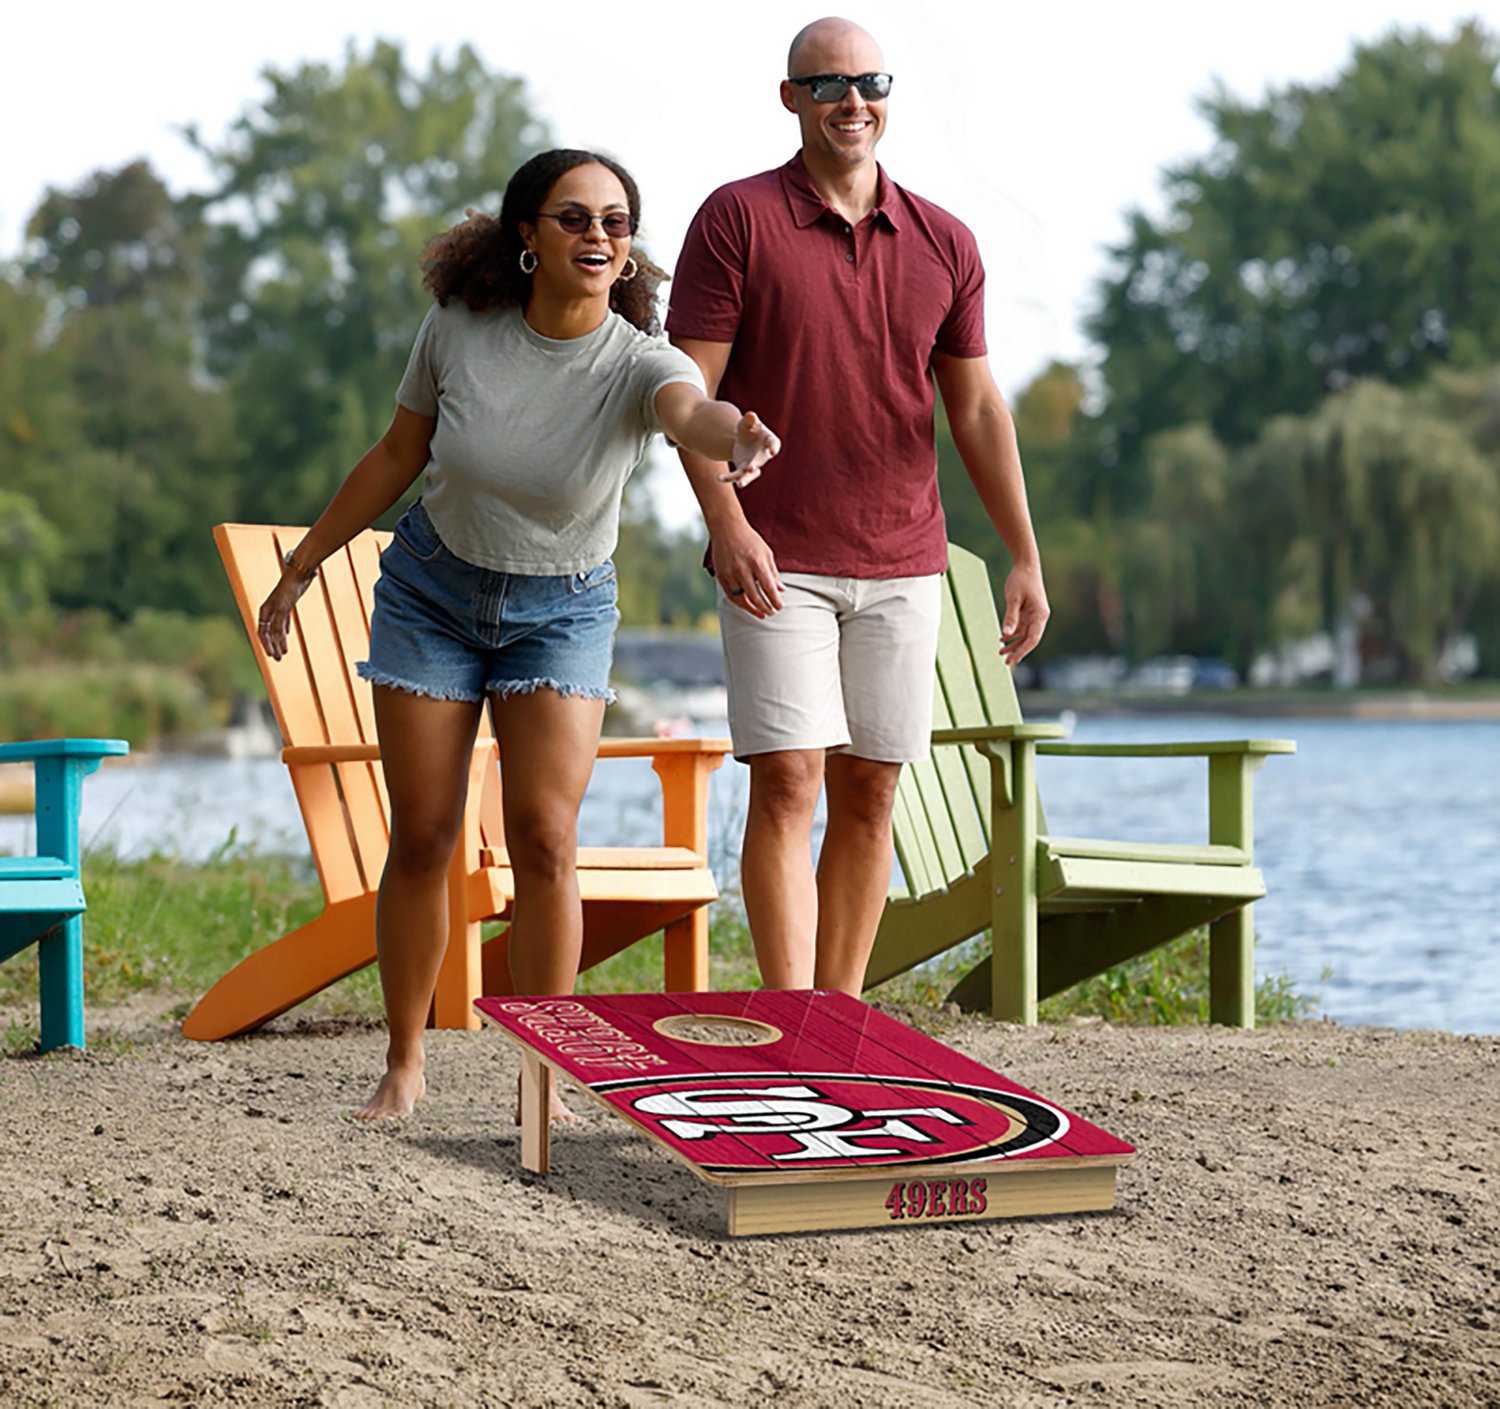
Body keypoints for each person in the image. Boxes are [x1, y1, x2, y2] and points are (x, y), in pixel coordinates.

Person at [255, 149, 781, 1121]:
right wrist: (305, 562)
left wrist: (735, 437)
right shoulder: (459, 328)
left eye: (615, 221)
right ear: (528, 236)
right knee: (424, 833)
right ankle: (404, 1061)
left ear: (629, 249)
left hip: (563, 610)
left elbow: (689, 413)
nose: (597, 235)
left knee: (545, 837)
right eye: (574, 217)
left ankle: (543, 1073)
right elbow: (398, 453)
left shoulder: (640, 361)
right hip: (433, 595)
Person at [666, 18, 1049, 997]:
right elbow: (684, 396)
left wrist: (1023, 554)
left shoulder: (945, 241)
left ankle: (836, 1016)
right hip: (776, 555)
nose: (852, 101)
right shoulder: (736, 219)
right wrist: (727, 526)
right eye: (829, 84)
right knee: (789, 776)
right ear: (790, 98)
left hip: (904, 558)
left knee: (872, 788)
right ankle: (792, 1014)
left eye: (870, 82)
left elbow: (976, 408)